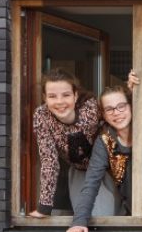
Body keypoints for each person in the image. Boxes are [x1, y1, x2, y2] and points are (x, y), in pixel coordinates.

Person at [66, 72, 139, 232]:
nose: (116, 113)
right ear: (104, 115)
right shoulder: (105, 140)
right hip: (128, 213)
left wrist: (137, 84)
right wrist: (79, 221)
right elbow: (91, 183)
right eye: (109, 109)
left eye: (121, 106)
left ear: (131, 107)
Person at [28, 68, 103, 218]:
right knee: (83, 216)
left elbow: (119, 116)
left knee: (107, 214)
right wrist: (44, 207)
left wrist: (131, 89)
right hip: (78, 170)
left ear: (75, 96)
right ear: (45, 98)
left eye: (66, 95)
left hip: (106, 169)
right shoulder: (42, 116)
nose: (60, 102)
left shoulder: (92, 108)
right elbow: (49, 160)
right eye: (52, 96)